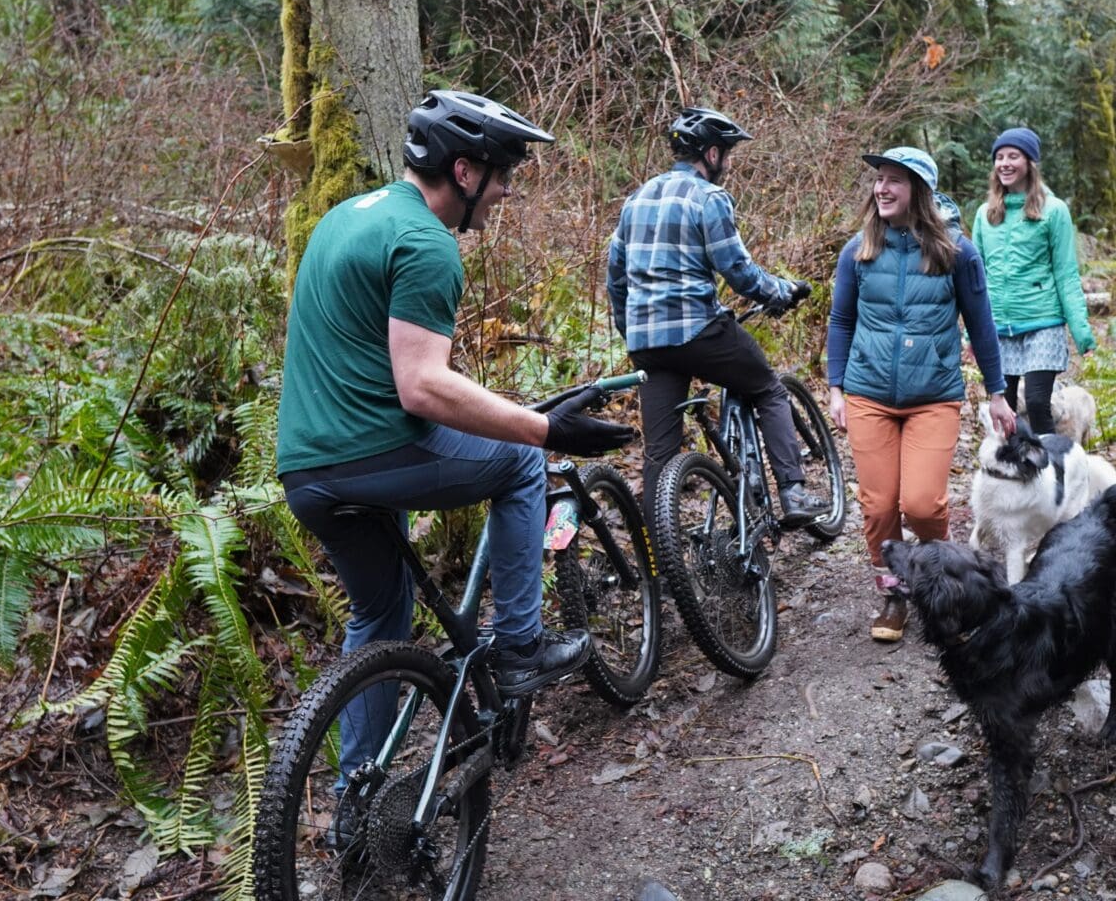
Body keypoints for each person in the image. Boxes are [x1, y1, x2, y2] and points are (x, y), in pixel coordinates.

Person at [276, 90, 636, 801]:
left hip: (307, 471)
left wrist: (504, 409)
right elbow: (420, 387)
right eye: (502, 173)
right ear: (465, 171)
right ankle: (519, 652)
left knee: (380, 617)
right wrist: (543, 428)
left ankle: (361, 799)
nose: (506, 190)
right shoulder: (429, 246)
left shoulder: (346, 217)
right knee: (523, 464)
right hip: (378, 453)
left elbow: (378, 361)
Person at [826, 146, 1016, 642]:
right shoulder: (858, 250)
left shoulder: (958, 252)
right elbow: (842, 319)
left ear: (921, 192)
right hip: (868, 392)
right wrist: (836, 387)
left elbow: (981, 323)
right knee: (879, 506)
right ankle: (894, 594)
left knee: (923, 505)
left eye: (895, 180)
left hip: (933, 396)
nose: (881, 188)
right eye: (879, 180)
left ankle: (943, 583)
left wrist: (996, 393)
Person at [606, 106, 828, 527]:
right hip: (698, 330)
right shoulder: (708, 198)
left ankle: (659, 556)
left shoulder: (635, 200)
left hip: (646, 343)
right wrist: (782, 291)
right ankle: (794, 493)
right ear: (710, 154)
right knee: (768, 389)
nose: (728, 163)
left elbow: (615, 278)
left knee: (660, 451)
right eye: (727, 153)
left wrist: (631, 332)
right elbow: (739, 271)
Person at [970, 127, 1096, 434]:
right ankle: (1016, 474)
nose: (1005, 163)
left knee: (1039, 402)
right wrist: (970, 335)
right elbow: (976, 279)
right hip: (998, 326)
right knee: (1006, 407)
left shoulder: (1054, 211)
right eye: (999, 157)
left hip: (1043, 321)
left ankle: (1052, 472)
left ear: (1030, 163)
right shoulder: (985, 215)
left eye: (1013, 156)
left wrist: (1082, 333)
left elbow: (1066, 273)